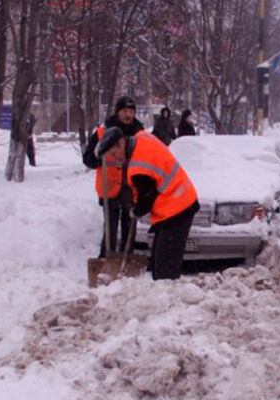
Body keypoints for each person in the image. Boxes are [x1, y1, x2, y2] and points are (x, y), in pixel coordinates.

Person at [96, 127, 199, 280]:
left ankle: (168, 297)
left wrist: (135, 212)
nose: (114, 158)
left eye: (114, 153)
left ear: (121, 143)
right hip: (177, 202)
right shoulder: (141, 137)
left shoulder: (138, 167)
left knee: (165, 267)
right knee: (158, 260)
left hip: (177, 208)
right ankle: (163, 292)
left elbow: (147, 198)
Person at [83, 96, 145, 256]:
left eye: (131, 111)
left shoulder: (140, 135)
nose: (128, 115)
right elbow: (88, 158)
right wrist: (100, 156)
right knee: (110, 230)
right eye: (125, 111)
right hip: (109, 187)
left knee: (129, 229)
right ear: (118, 112)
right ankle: (106, 260)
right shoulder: (102, 133)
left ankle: (127, 260)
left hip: (131, 189)